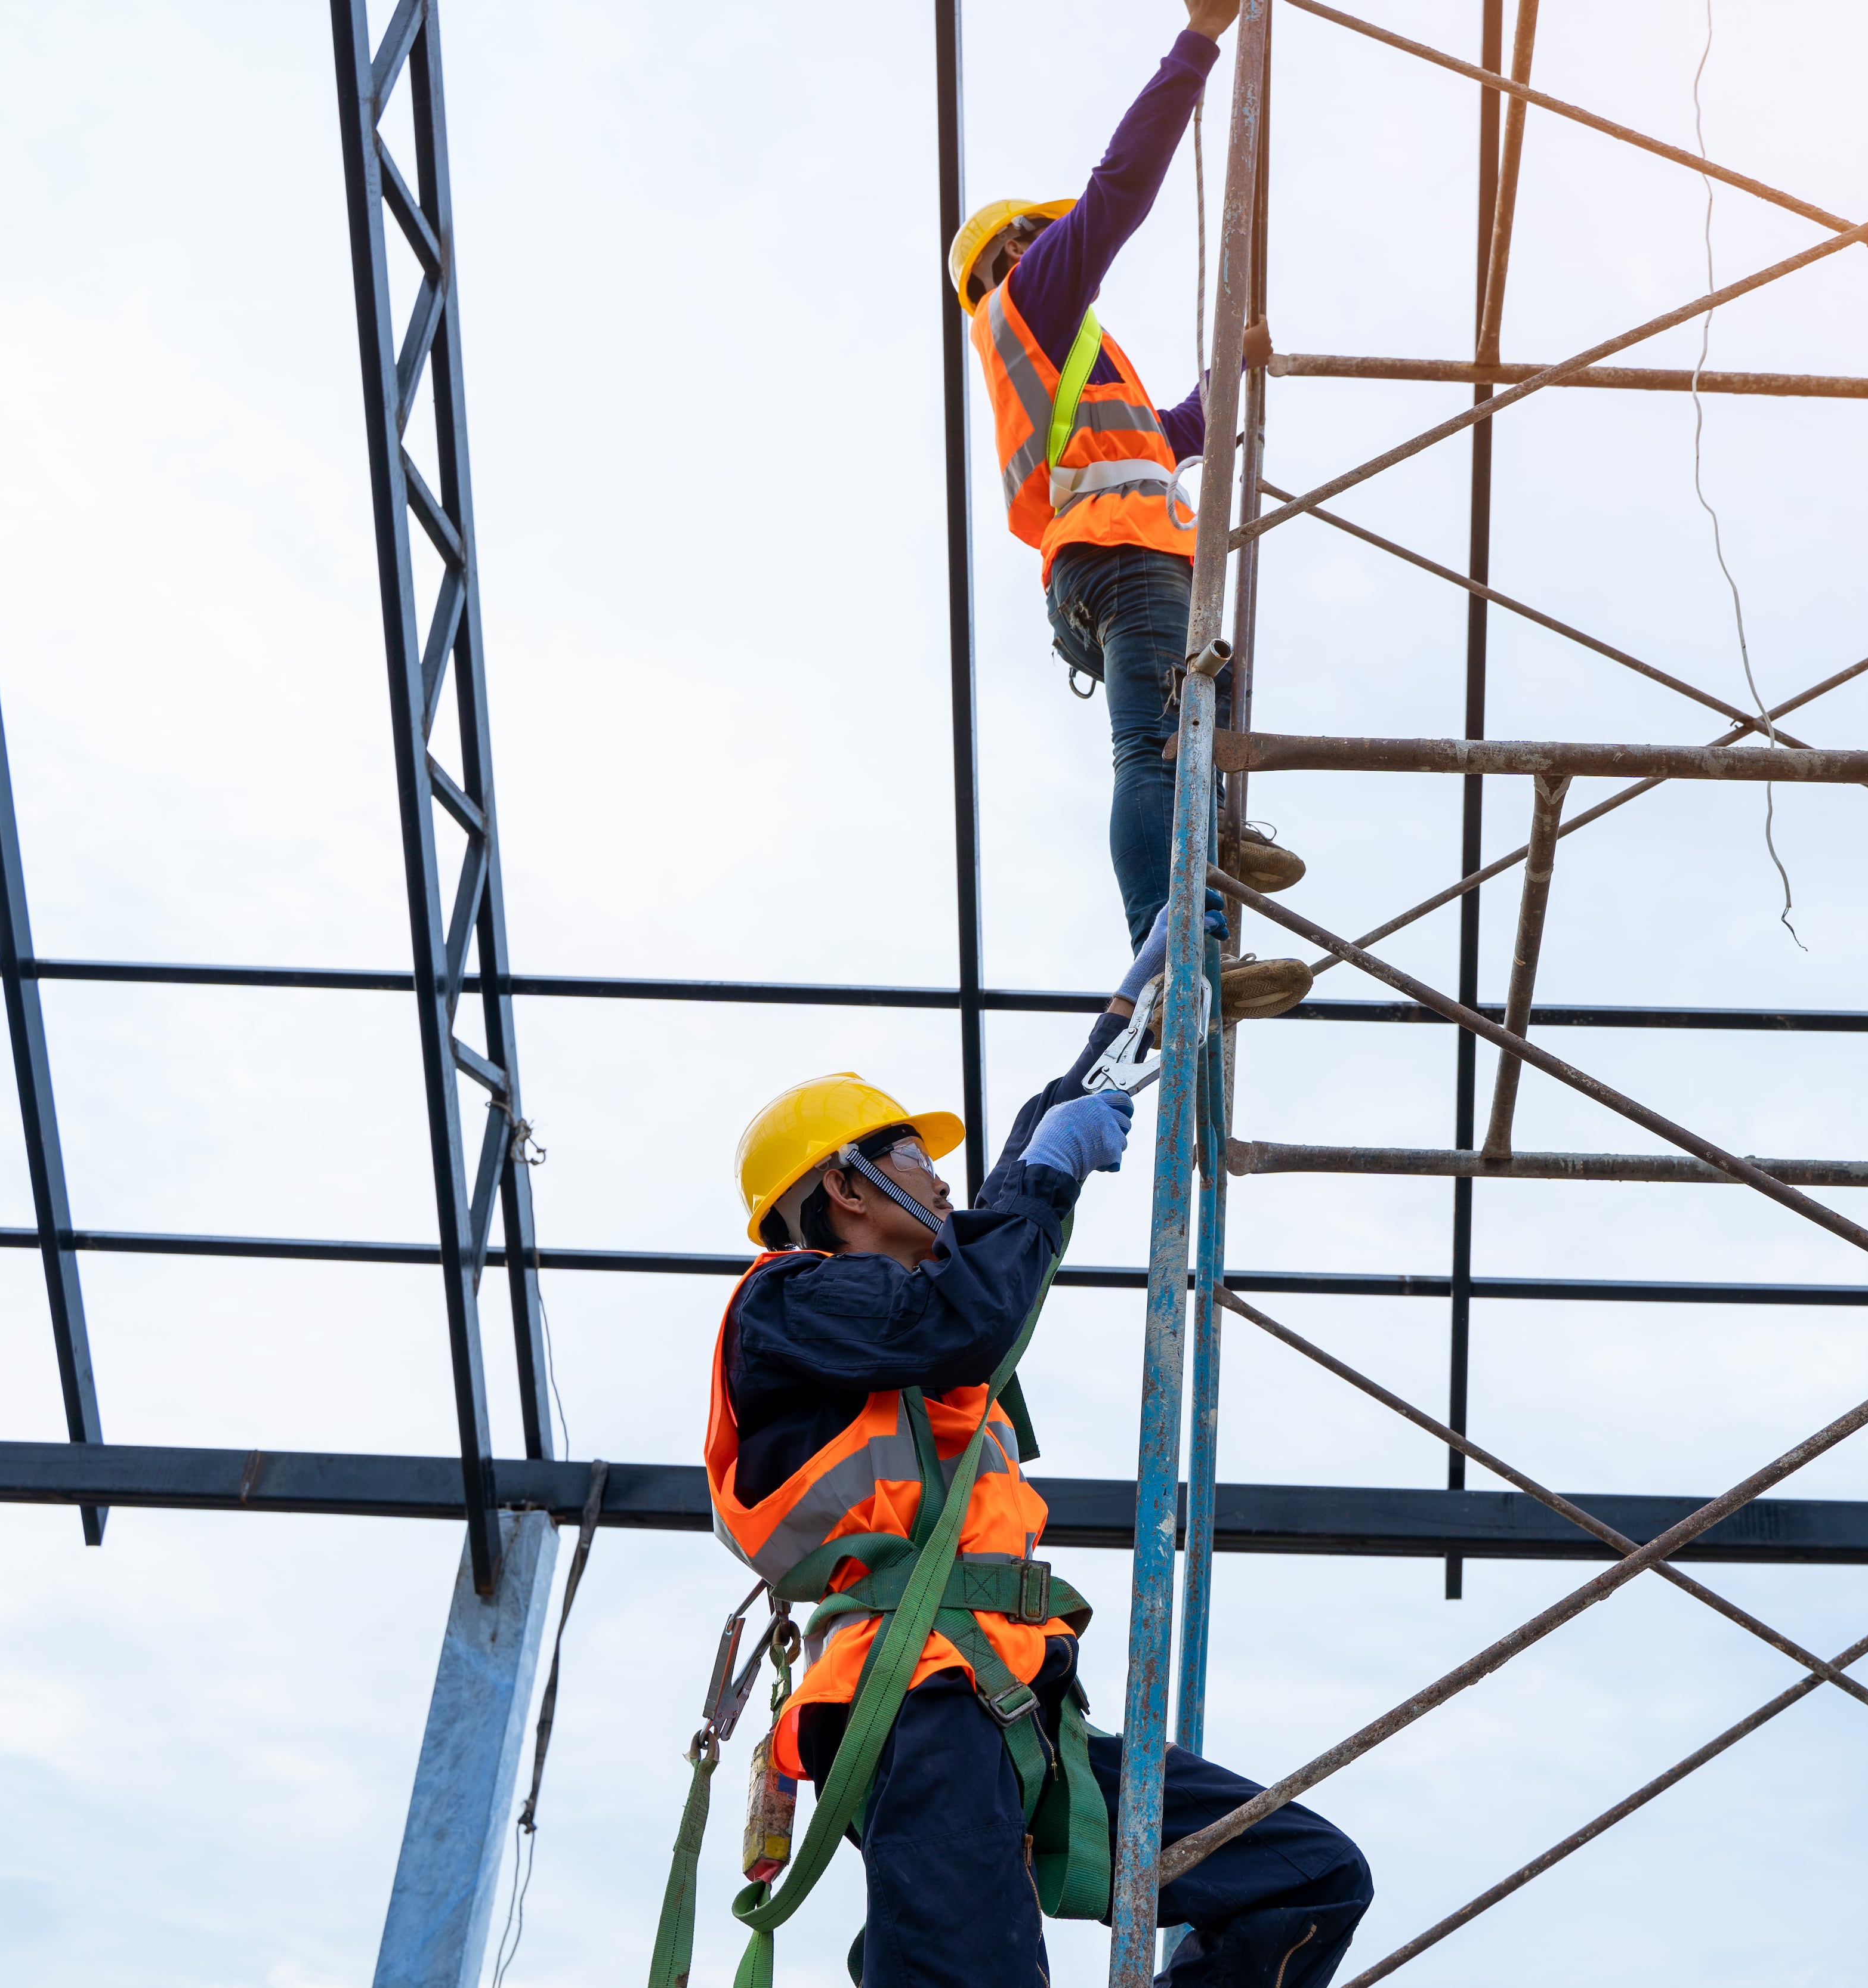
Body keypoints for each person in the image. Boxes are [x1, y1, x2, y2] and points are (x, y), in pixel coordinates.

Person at [706, 984, 1372, 1988]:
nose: (941, 1184)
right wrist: (1050, 1177)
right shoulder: (789, 1302)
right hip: (916, 1704)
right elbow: (964, 1307)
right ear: (847, 1189)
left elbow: (1002, 1218)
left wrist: (1133, 1001)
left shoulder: (900, 1327)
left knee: (1306, 1875)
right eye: (916, 1161)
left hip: (1014, 1703)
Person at [946, 0, 1314, 1021]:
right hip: (1118, 552)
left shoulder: (1065, 360)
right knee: (1152, 746)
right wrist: (1197, 42)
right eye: (1041, 231)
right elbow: (1118, 194)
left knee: (1203, 707)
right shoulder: (1028, 296)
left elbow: (1174, 432)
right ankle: (1176, 948)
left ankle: (1211, 849)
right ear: (1015, 248)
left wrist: (1230, 379)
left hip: (1122, 552)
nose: (1059, 236)